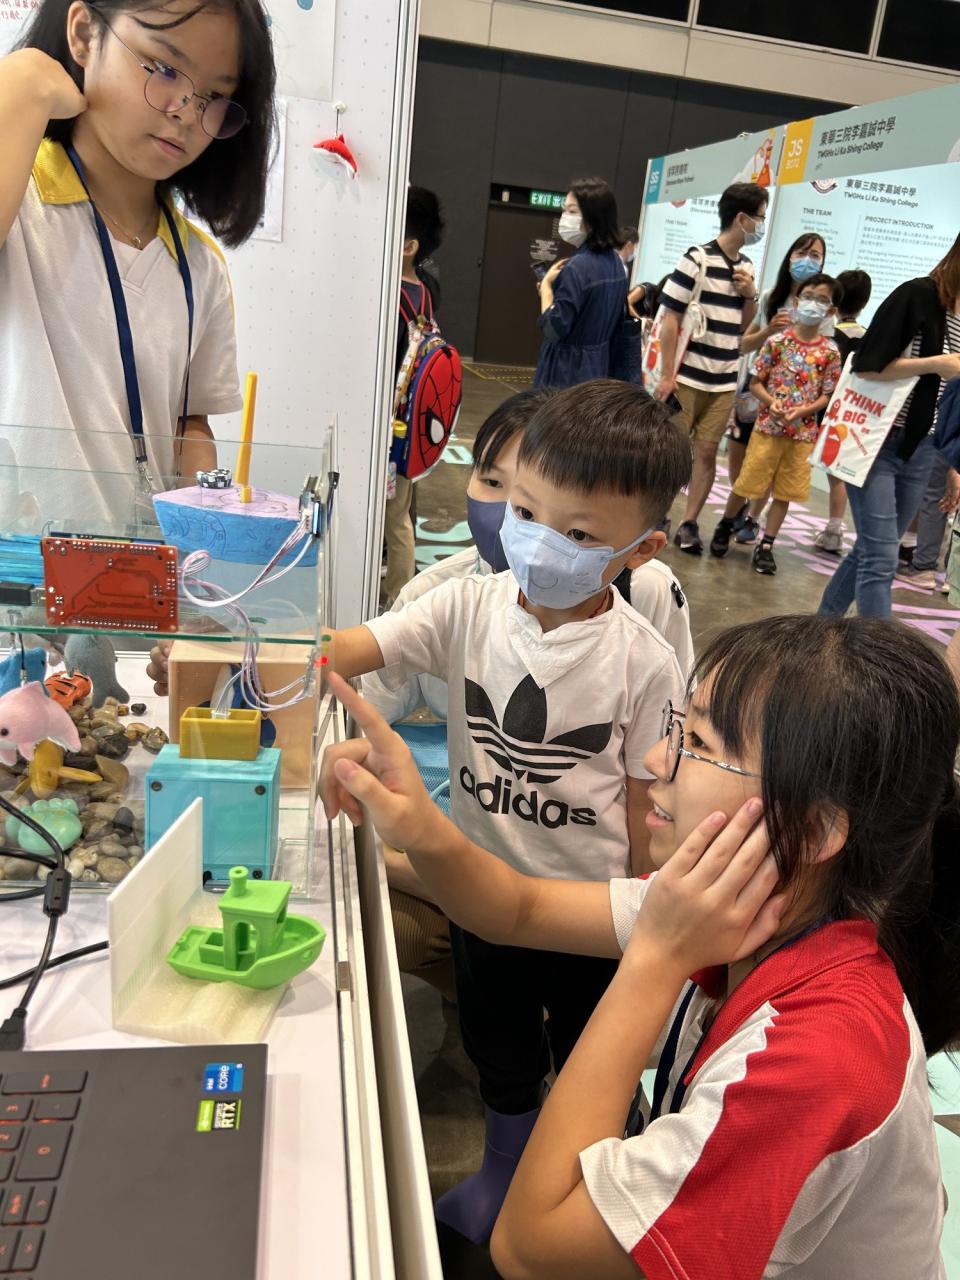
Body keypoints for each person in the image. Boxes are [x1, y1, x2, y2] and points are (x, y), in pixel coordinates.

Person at [321, 613, 960, 1279]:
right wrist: (419, 826)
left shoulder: (821, 1056)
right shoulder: (735, 910)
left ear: (813, 828)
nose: (657, 758)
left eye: (697, 742)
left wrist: (656, 956)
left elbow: (529, 1249)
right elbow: (516, 907)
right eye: (677, 727)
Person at [327, 381, 692, 1245]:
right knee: (498, 1044)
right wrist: (270, 649)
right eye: (525, 511)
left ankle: (593, 1181)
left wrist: (651, 913)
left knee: (594, 1052)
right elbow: (363, 644)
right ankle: (503, 1168)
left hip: (585, 912)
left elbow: (647, 802)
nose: (538, 541)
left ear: (642, 549)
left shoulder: (643, 661)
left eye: (580, 535)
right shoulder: (465, 603)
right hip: (478, 891)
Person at [1, 0, 276, 528]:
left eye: (215, 97)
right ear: (84, 34)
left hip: (136, 566)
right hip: (17, 567)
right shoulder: (21, 205)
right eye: (165, 68)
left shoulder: (200, 267)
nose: (186, 112)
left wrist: (201, 510)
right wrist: (24, 80)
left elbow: (188, 420)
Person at [820, 231, 960, 619]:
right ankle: (877, 652)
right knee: (881, 558)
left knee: (870, 550)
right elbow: (867, 365)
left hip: (923, 448)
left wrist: (953, 464)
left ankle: (821, 628)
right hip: (876, 440)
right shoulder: (918, 295)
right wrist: (936, 364)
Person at [654, 183, 766, 554]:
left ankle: (689, 523)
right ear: (742, 218)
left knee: (706, 452)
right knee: (672, 450)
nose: (761, 225)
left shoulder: (746, 268)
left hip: (724, 380)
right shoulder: (696, 258)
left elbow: (742, 327)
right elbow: (670, 318)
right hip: (686, 377)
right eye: (760, 217)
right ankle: (657, 515)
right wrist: (667, 375)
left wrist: (750, 295)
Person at [710, 274, 842, 576]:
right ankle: (726, 524)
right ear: (797, 300)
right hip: (768, 428)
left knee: (785, 491)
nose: (813, 304)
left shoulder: (831, 352)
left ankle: (767, 543)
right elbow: (756, 383)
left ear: (832, 310)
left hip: (802, 434)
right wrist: (772, 403)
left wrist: (804, 410)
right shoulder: (776, 342)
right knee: (748, 481)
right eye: (809, 297)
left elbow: (827, 395)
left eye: (822, 300)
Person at [729, 233, 829, 543]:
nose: (807, 260)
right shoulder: (771, 297)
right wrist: (769, 331)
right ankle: (737, 510)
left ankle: (753, 518)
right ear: (790, 257)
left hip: (793, 404)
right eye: (802, 252)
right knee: (741, 457)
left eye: (815, 255)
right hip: (755, 391)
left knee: (773, 464)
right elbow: (744, 344)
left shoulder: (824, 310)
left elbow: (824, 361)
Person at [383, 184, 445, 606]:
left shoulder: (392, 295)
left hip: (391, 426)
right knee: (400, 511)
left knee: (395, 520)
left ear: (409, 246)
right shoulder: (426, 290)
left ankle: (397, 600)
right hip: (410, 423)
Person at [534, 178, 627, 390]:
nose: (565, 217)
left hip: (566, 372)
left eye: (572, 211)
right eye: (564, 210)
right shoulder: (616, 263)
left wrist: (547, 288)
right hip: (598, 367)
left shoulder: (577, 267)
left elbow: (554, 328)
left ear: (594, 217)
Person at [813, 268, 872, 554]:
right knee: (838, 473)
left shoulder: (828, 335)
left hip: (819, 408)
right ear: (865, 302)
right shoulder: (868, 337)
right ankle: (834, 529)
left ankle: (758, 517)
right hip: (849, 412)